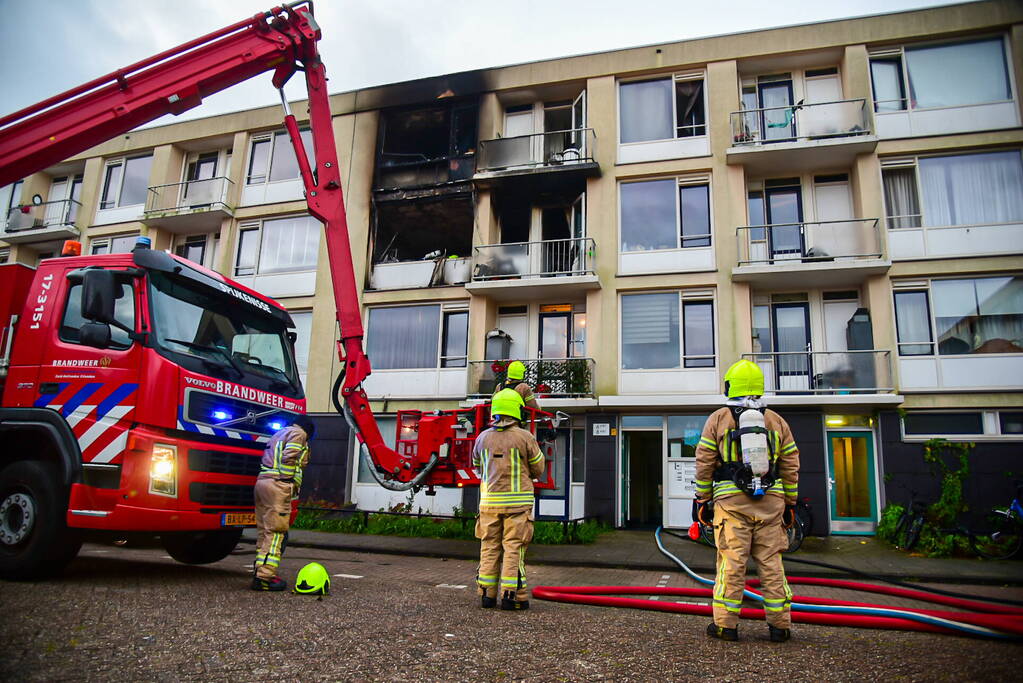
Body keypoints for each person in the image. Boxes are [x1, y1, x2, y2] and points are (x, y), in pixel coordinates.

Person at [694, 359, 799, 642]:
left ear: (730, 385)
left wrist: (702, 499)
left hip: (732, 503)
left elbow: (704, 461)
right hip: (771, 502)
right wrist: (790, 503)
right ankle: (780, 626)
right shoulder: (777, 421)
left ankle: (726, 625)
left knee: (732, 561)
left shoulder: (718, 418)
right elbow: (790, 464)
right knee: (771, 562)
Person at [472, 388, 546, 610]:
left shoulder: (482, 438)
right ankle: (511, 597)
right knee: (513, 548)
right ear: (517, 411)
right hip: (518, 505)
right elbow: (538, 467)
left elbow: (477, 467)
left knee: (489, 546)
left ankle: (486, 595)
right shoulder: (525, 437)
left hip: (489, 504)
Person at [252, 415, 315, 591]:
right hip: (278, 486)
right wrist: (287, 482)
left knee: (264, 532)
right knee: (276, 533)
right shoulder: (298, 434)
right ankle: (265, 577)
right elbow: (290, 457)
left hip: (262, 483)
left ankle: (259, 570)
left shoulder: (279, 433)